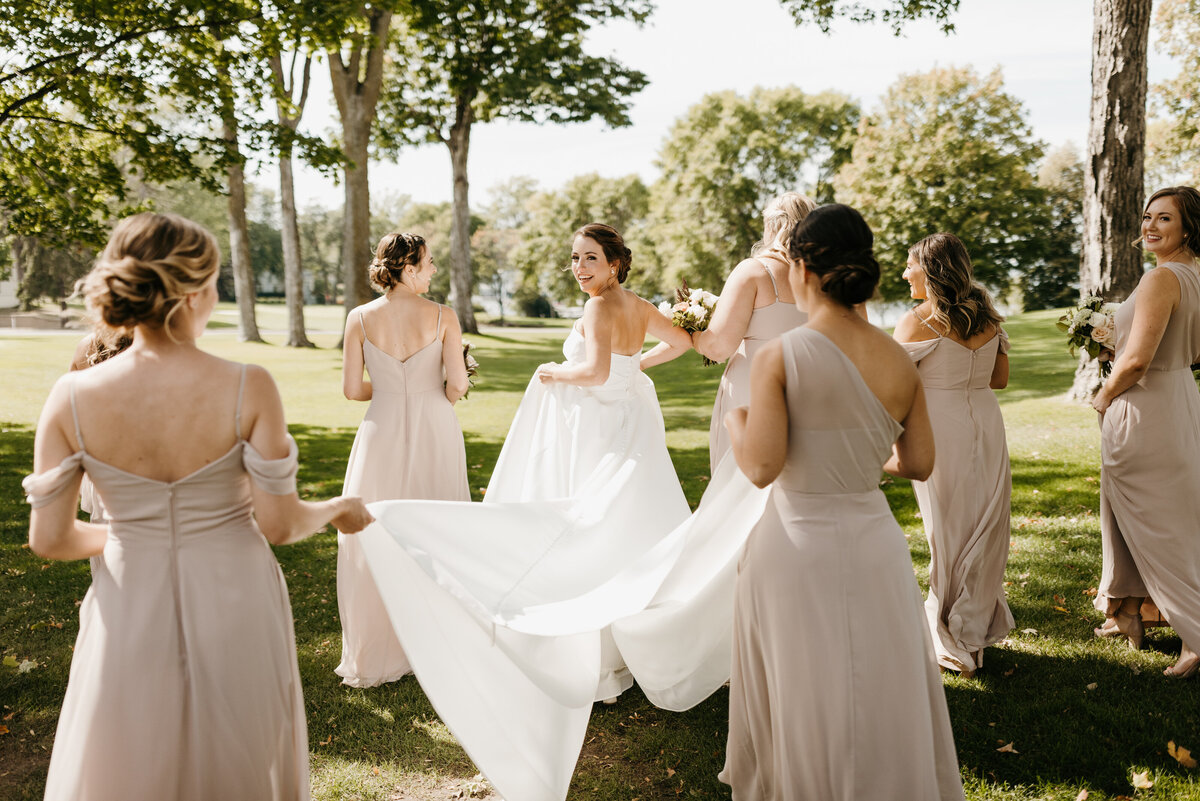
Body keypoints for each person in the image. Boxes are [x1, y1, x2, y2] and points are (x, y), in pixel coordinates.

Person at [352, 223, 776, 801]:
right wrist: (637, 369)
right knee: (634, 519)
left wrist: (552, 372)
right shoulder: (638, 304)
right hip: (629, 418)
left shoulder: (602, 307)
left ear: (616, 263)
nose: (580, 267)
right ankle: (628, 635)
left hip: (598, 423)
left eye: (591, 258)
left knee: (591, 522)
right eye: (575, 259)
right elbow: (677, 345)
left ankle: (598, 643)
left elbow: (595, 372)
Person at [23, 212, 372, 801]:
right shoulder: (247, 385)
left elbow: (52, 540)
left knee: (132, 749)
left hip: (130, 592)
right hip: (236, 592)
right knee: (240, 748)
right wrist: (338, 507)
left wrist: (138, 536)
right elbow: (281, 525)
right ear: (195, 291)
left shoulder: (73, 396)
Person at [720, 204, 964, 800]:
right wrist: (853, 453)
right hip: (873, 543)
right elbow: (919, 464)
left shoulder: (781, 355)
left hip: (796, 544)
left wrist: (736, 419)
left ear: (802, 269)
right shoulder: (895, 357)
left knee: (804, 684)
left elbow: (759, 467)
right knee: (876, 682)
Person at [335, 232, 470, 688]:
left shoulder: (359, 317)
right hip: (435, 426)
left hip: (381, 430)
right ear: (408, 267)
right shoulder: (443, 316)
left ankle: (377, 650)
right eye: (429, 262)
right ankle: (436, 643)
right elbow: (457, 389)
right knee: (437, 526)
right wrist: (450, 377)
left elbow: (353, 391)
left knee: (375, 532)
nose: (433, 270)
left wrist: (394, 389)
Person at [892, 232, 1014, 677]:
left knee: (946, 529)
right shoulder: (989, 319)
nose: (905, 273)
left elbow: (894, 387)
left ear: (932, 269)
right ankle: (968, 624)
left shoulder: (917, 321)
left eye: (910, 265)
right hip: (986, 422)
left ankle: (950, 629)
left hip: (938, 427)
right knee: (983, 522)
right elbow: (999, 380)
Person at [1091, 185, 1200, 679]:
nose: (1150, 226)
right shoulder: (1195, 276)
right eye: (1147, 217)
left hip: (1145, 407)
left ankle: (1195, 632)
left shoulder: (1162, 279)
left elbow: (1136, 361)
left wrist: (1104, 393)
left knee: (1163, 525)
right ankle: (1128, 612)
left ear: (1188, 227)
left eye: (1164, 219)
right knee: (1129, 512)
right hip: (1179, 399)